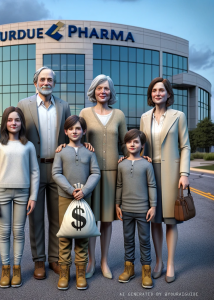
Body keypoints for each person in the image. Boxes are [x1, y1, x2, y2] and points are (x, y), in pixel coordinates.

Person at [16, 66, 71, 279]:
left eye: (50, 79)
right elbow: (18, 135)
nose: (46, 82)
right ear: (35, 82)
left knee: (58, 218)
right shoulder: (24, 105)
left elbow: (69, 138)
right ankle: (39, 260)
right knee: (36, 217)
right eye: (42, 79)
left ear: (54, 83)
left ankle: (54, 259)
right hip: (34, 168)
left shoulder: (64, 106)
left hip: (58, 168)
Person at [140, 77, 190, 283]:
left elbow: (185, 145)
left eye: (161, 90)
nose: (157, 93)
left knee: (170, 219)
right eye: (154, 90)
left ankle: (170, 263)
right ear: (150, 95)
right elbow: (141, 145)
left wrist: (184, 173)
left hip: (171, 173)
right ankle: (158, 261)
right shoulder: (144, 117)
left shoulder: (179, 116)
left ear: (169, 94)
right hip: (150, 172)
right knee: (155, 220)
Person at [80, 75, 128, 279]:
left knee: (107, 219)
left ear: (111, 92)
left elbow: (126, 143)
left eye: (106, 88)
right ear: (94, 90)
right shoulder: (84, 113)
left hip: (111, 174)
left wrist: (133, 156)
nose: (103, 91)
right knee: (91, 219)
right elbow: (76, 137)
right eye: (99, 88)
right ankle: (91, 262)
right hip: (90, 173)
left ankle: (104, 261)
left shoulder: (119, 115)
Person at [0, 106, 40, 288]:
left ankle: (16, 268)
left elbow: (35, 172)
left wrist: (33, 196)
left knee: (19, 232)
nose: (13, 123)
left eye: (17, 120)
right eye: (10, 120)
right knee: (4, 232)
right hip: (2, 193)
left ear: (21, 123)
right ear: (5, 123)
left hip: (23, 193)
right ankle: (5, 268)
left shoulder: (29, 145)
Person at [52, 115, 101, 290]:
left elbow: (96, 173)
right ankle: (64, 273)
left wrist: (85, 190)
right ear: (66, 132)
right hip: (66, 199)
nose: (75, 131)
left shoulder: (89, 152)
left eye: (78, 128)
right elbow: (56, 173)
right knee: (65, 236)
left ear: (84, 131)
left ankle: (80, 273)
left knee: (82, 235)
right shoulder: (61, 152)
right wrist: (70, 190)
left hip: (84, 199)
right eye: (71, 128)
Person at [116, 129, 157, 289]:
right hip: (126, 209)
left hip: (143, 210)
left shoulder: (147, 164)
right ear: (125, 144)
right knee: (128, 240)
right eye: (129, 141)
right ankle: (129, 268)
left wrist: (153, 206)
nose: (132, 144)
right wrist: (117, 205)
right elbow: (119, 185)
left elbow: (152, 185)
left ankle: (146, 270)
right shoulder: (121, 164)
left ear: (142, 145)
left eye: (136, 142)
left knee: (145, 240)